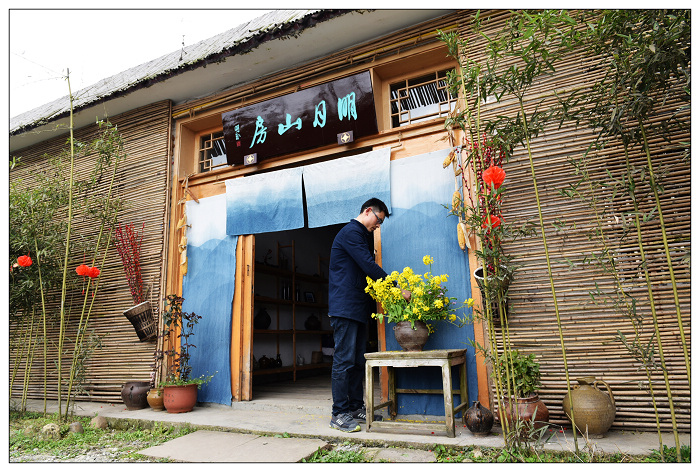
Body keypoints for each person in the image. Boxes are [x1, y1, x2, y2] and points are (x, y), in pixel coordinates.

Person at [327, 197, 410, 432]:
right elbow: (368, 266)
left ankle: (354, 407)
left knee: (355, 361)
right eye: (378, 220)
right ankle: (338, 414)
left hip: (357, 307)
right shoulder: (351, 232)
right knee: (343, 360)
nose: (378, 226)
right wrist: (396, 288)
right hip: (344, 307)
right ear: (368, 211)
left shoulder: (362, 235)